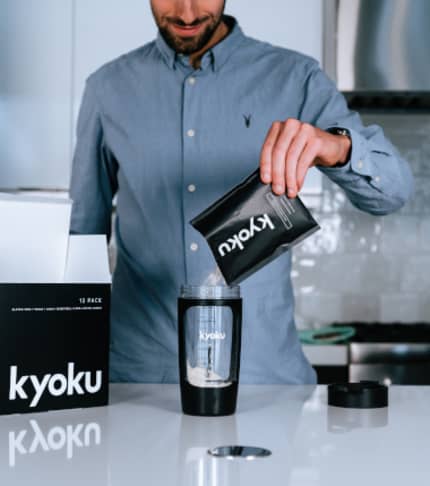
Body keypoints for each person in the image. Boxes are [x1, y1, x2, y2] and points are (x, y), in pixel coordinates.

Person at [70, 1, 414, 384]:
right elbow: (80, 239)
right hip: (137, 380)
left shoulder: (295, 78)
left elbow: (393, 192)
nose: (186, 14)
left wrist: (335, 147)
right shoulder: (106, 90)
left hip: (263, 383)